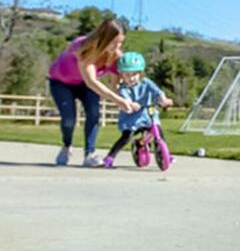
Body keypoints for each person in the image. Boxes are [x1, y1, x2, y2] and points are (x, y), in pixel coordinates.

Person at [47, 19, 139, 167]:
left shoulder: (114, 55)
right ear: (104, 39)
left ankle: (89, 154)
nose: (118, 47)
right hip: (61, 82)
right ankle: (67, 146)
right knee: (69, 119)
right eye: (115, 42)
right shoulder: (81, 46)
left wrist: (127, 98)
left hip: (85, 85)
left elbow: (115, 84)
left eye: (121, 43)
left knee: (94, 113)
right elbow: (91, 81)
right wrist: (119, 101)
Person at [102, 51, 173, 168]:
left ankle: (164, 154)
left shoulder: (146, 83)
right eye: (126, 75)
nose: (131, 78)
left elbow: (157, 91)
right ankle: (110, 157)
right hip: (132, 117)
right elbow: (125, 98)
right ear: (121, 75)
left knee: (158, 132)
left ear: (140, 73)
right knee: (126, 137)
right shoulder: (124, 88)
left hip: (148, 113)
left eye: (134, 74)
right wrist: (131, 103)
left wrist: (164, 100)